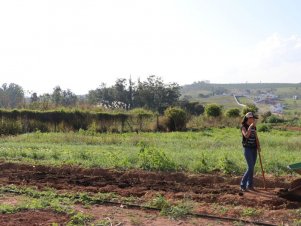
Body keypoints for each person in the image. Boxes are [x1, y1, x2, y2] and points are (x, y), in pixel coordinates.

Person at [240, 112, 261, 192]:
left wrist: (258, 146)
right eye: (253, 118)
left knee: (252, 168)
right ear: (249, 118)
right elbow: (246, 135)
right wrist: (251, 127)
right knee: (250, 167)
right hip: (247, 149)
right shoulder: (243, 127)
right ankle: (242, 185)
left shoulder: (254, 127)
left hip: (254, 148)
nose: (254, 120)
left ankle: (250, 185)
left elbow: (256, 137)